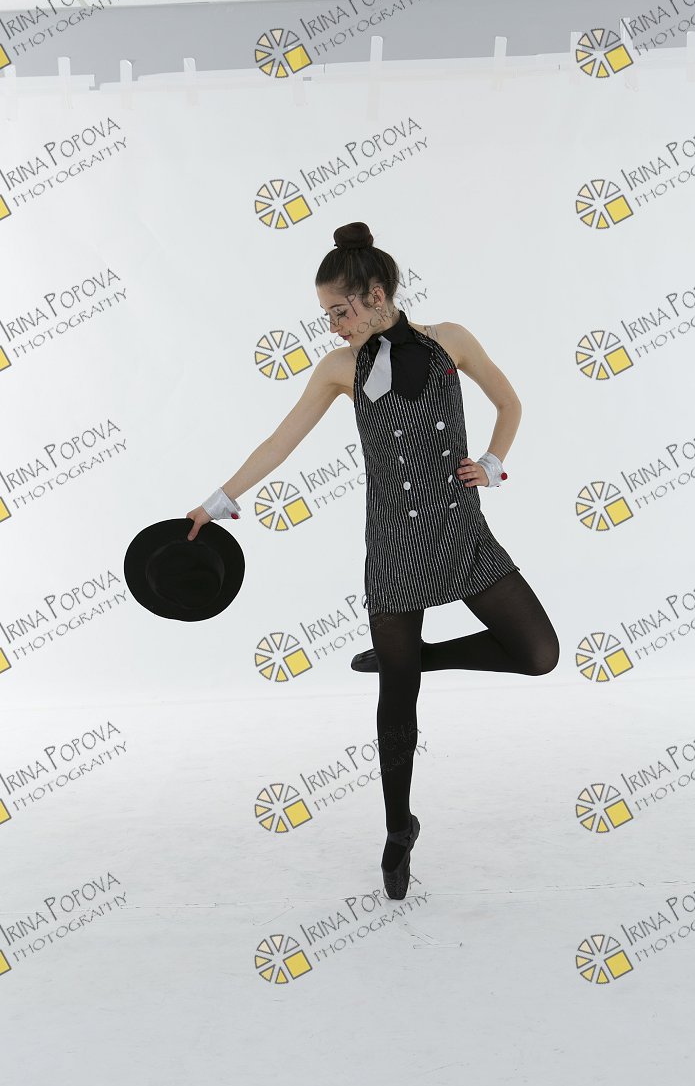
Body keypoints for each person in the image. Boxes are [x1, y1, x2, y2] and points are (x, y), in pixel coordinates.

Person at [186, 221, 560, 901]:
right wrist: (217, 502)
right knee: (397, 700)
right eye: (327, 314)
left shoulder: (451, 340)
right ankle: (397, 830)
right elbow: (280, 442)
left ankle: (417, 657)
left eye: (340, 311)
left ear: (377, 295)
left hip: (461, 531)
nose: (333, 326)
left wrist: (493, 463)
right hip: (393, 545)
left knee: (539, 653)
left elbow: (510, 402)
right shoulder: (340, 369)